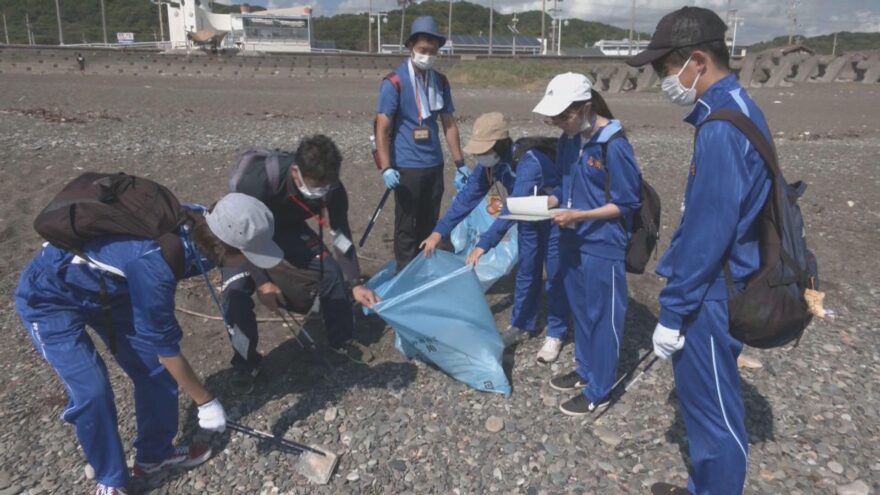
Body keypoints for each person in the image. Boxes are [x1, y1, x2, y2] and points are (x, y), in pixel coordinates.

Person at [15, 192, 281, 495]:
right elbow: (165, 347)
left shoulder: (202, 223)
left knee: (155, 372)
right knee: (92, 390)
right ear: (224, 247)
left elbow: (160, 354)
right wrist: (206, 402)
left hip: (113, 293)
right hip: (50, 297)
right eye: (249, 253)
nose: (251, 261)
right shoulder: (155, 263)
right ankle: (110, 479)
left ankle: (154, 456)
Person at [626, 7, 774, 495]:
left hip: (711, 295)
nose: (665, 82)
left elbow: (709, 235)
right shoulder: (734, 106)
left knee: (714, 416)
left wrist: (673, 310)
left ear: (696, 60)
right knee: (707, 406)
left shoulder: (721, 128)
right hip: (722, 284)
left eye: (665, 70)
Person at [223, 134, 380, 393]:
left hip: (287, 230)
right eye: (316, 186)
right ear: (296, 171)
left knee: (331, 273)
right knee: (235, 296)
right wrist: (262, 282)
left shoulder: (332, 189)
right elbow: (241, 240)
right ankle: (244, 362)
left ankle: (341, 340)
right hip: (240, 235)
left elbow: (339, 234)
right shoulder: (257, 183)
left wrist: (354, 280)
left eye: (327, 186)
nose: (322, 192)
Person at [420, 112, 571, 362]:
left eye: (484, 150)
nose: (480, 156)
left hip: (554, 217)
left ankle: (555, 332)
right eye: (478, 152)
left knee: (554, 274)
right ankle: (521, 324)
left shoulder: (529, 162)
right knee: (527, 270)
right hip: (528, 217)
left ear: (499, 145)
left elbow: (510, 210)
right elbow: (466, 199)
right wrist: (439, 232)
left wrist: (483, 246)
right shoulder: (491, 166)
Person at [534, 73, 643, 416]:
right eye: (553, 118)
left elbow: (627, 204)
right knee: (580, 310)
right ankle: (584, 370)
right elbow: (565, 186)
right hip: (571, 237)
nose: (557, 124)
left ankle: (601, 388)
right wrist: (549, 202)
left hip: (602, 242)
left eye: (562, 117)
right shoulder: (569, 140)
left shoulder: (614, 144)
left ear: (585, 108)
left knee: (604, 316)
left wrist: (580, 215)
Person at [375, 15, 465, 270]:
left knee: (430, 225)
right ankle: (404, 274)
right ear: (411, 47)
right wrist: (386, 167)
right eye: (423, 50)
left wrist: (460, 164)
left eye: (433, 51)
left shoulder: (441, 81)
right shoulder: (394, 82)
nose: (428, 55)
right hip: (406, 167)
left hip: (434, 165)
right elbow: (382, 128)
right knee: (405, 227)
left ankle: (426, 272)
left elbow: (449, 123)